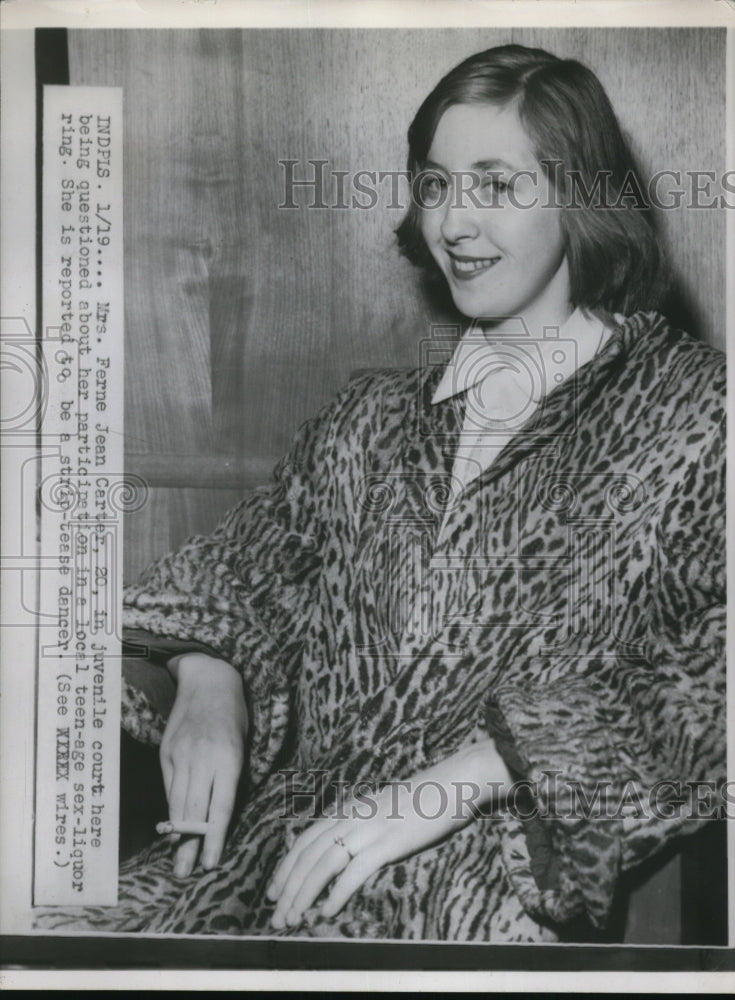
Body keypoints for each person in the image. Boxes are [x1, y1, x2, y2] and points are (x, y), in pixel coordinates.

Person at [38, 43, 725, 941]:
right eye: (437, 186)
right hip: (263, 859)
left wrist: (476, 773)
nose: (454, 224)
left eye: (497, 186)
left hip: (477, 900)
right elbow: (245, 567)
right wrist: (207, 678)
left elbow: (715, 681)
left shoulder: (692, 411)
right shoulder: (368, 418)